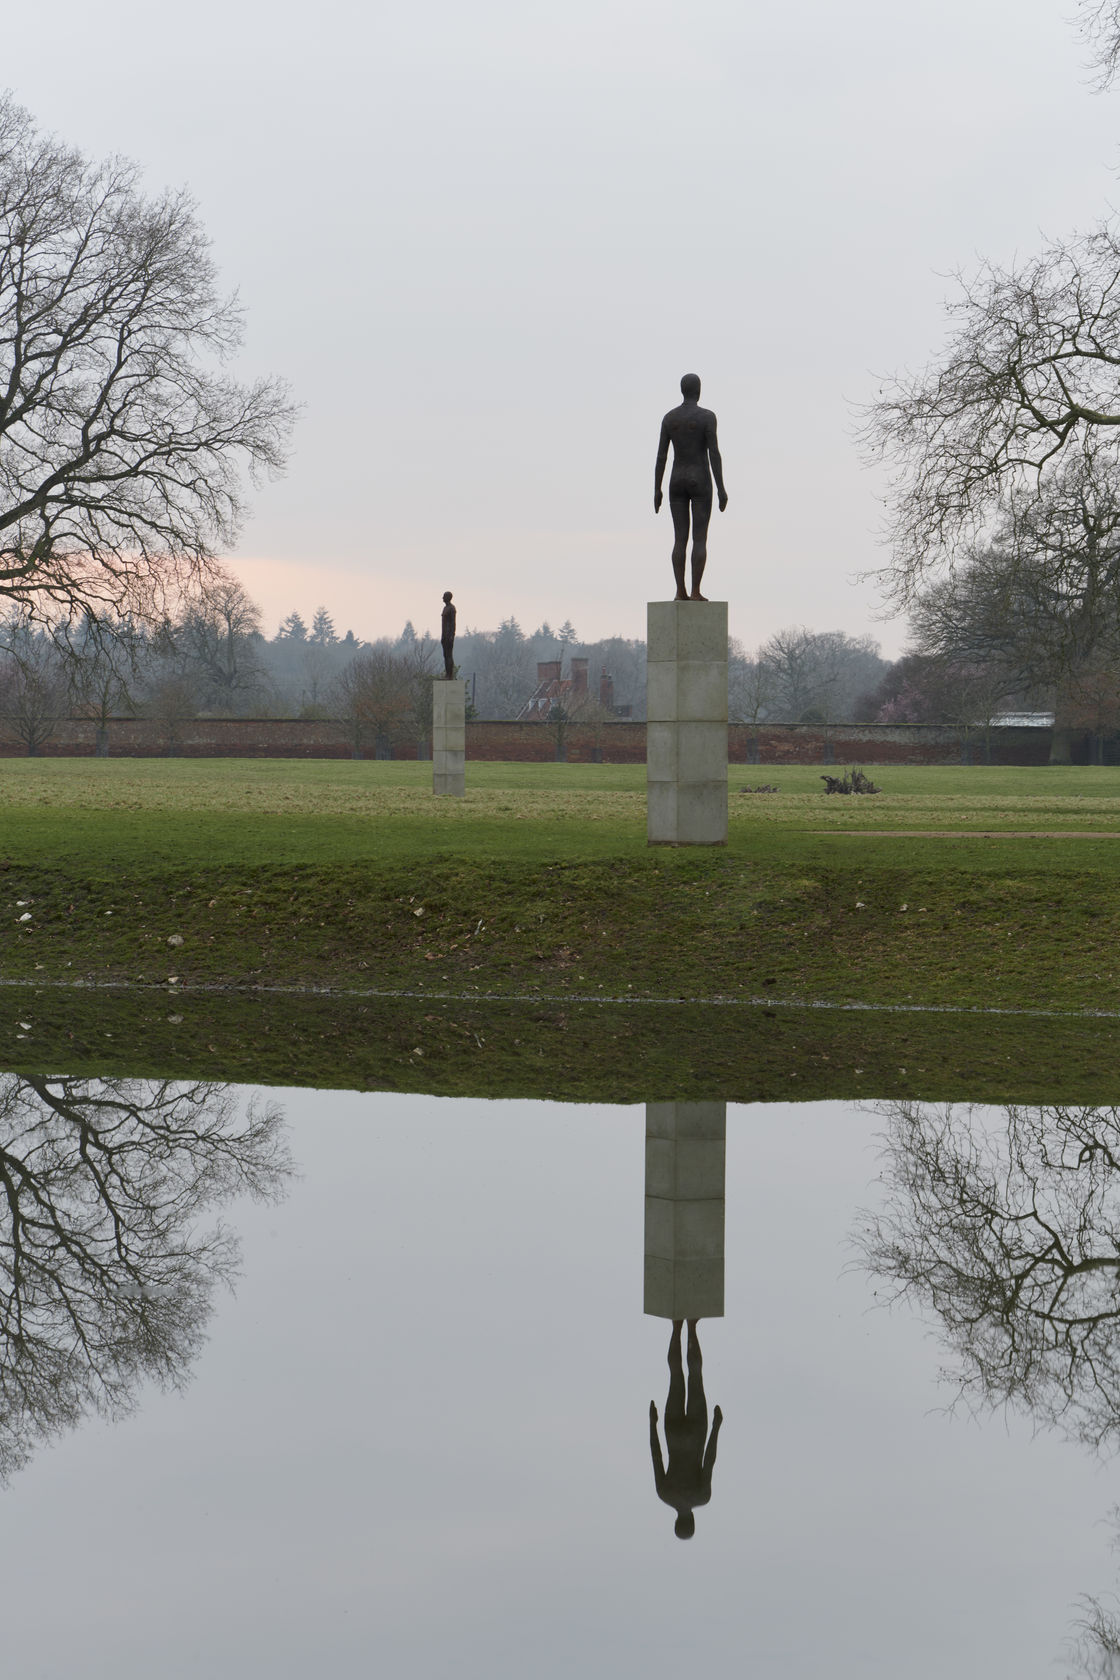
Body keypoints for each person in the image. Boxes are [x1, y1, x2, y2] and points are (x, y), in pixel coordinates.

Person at [654, 374, 728, 601]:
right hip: (699, 478)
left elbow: (661, 456)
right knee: (699, 539)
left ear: (682, 390)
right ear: (699, 390)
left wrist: (657, 489)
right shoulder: (707, 417)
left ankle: (680, 591)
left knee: (679, 539)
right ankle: (695, 591)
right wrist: (721, 488)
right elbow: (714, 453)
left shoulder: (669, 418)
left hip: (676, 479)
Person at [649, 1319, 723, 1538]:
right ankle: (676, 1327)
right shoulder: (664, 1494)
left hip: (695, 1436)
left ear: (692, 1521)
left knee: (695, 1376)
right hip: (673, 1435)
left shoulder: (702, 1497)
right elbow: (656, 1455)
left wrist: (716, 1427)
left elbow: (709, 1460)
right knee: (675, 1376)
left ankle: (691, 1327)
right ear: (676, 1522)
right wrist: (652, 1423)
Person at [440, 590, 456, 679]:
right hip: (444, 635)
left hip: (449, 635)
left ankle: (450, 675)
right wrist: (443, 636)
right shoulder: (445, 608)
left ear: (448, 597)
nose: (442, 598)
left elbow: (453, 623)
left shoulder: (452, 608)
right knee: (445, 655)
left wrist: (451, 635)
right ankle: (447, 674)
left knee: (449, 655)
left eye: (444, 596)